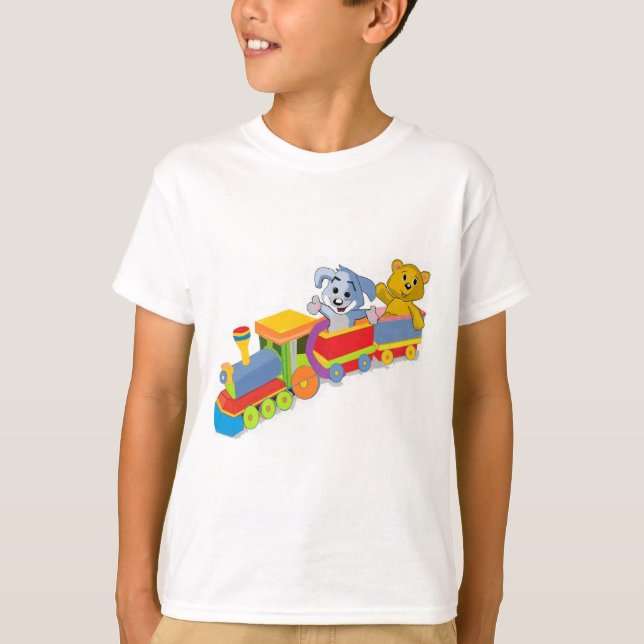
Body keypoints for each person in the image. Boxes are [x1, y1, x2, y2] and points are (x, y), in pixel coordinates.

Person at [112, 1, 530, 643]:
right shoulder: (191, 180)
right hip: (219, 599)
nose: (247, 10)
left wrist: (483, 596)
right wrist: (133, 596)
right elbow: (156, 394)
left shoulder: (451, 181)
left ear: (379, 15)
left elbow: (481, 396)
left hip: (399, 605)